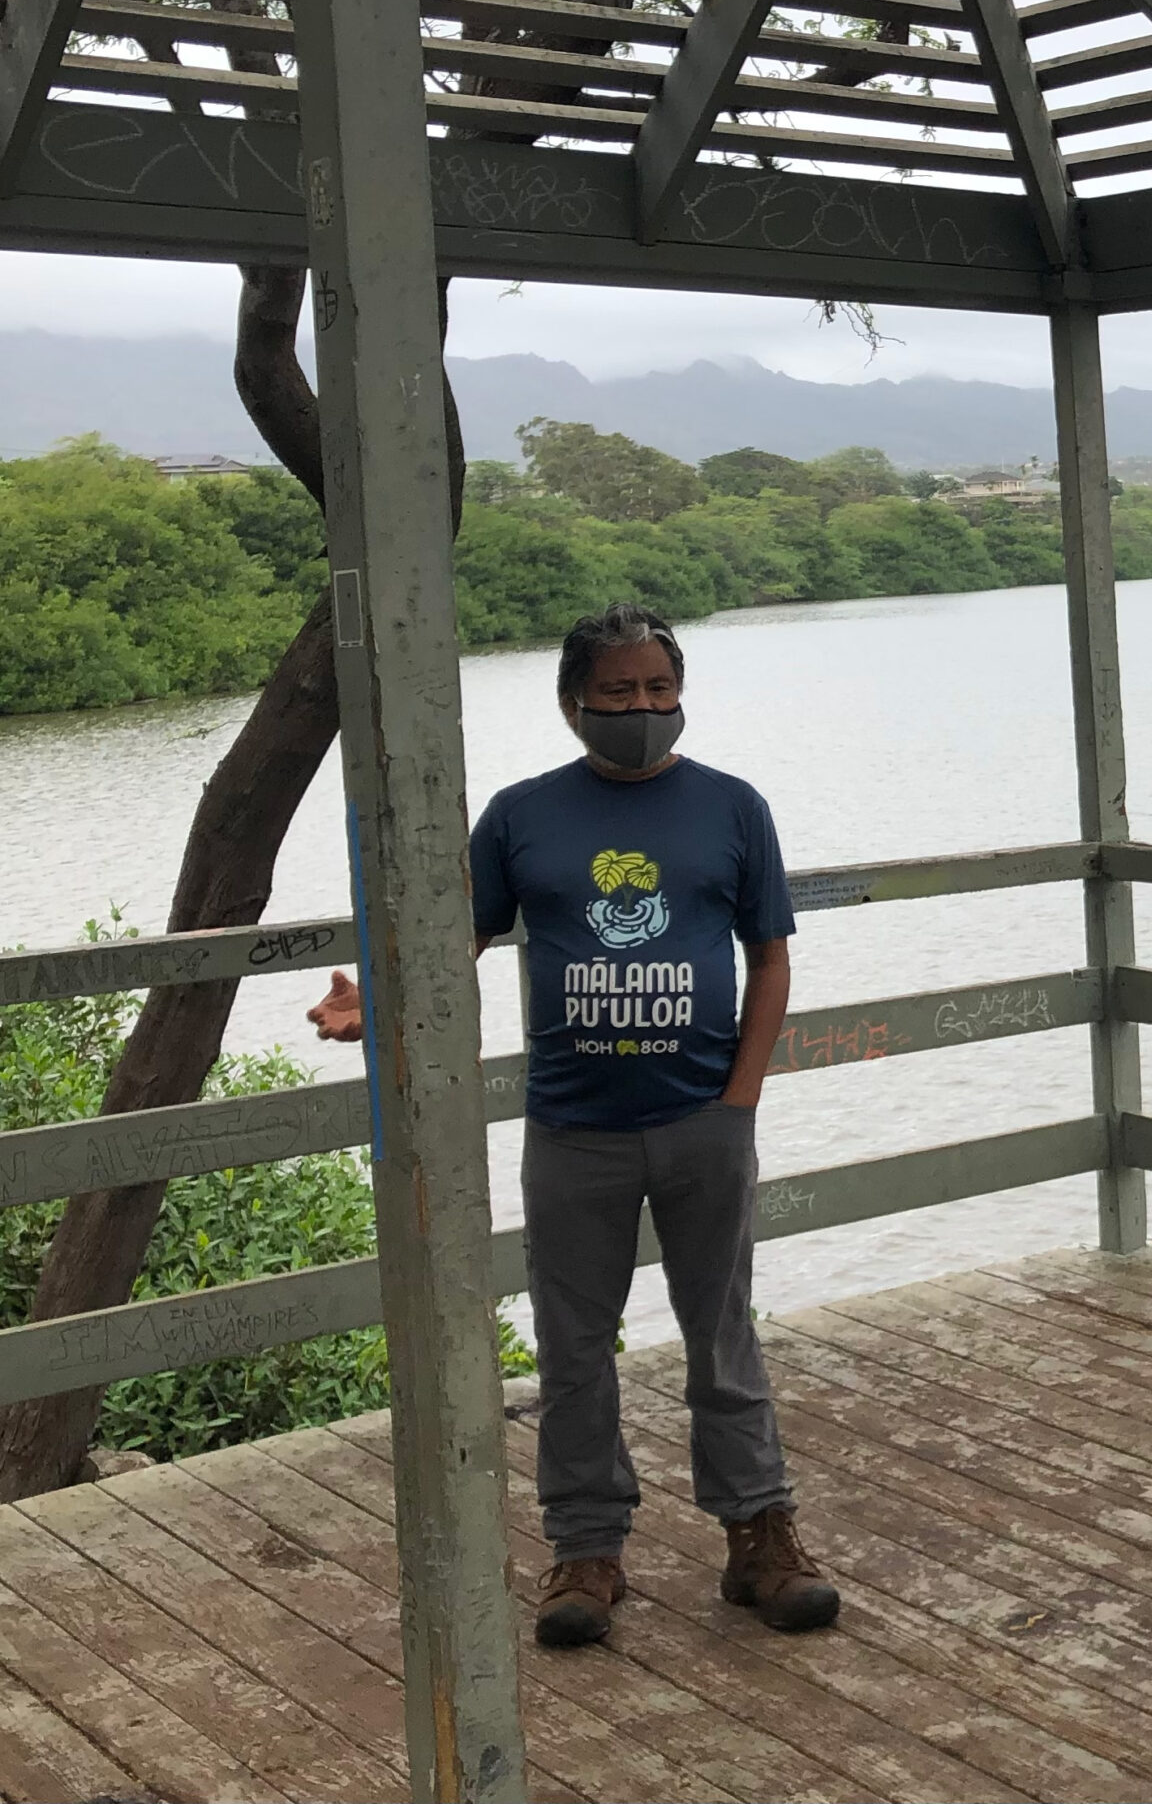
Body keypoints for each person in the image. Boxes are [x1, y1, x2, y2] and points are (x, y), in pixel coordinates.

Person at [311, 601, 837, 1648]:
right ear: (573, 705)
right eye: (618, 693)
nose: (640, 708)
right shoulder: (519, 816)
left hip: (703, 1122)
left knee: (722, 1335)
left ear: (678, 696)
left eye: (656, 690)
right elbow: (452, 938)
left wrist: (741, 1102)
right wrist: (375, 1001)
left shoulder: (733, 808)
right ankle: (587, 1553)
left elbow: (770, 956)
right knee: (573, 1351)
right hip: (571, 1133)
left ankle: (759, 1536)